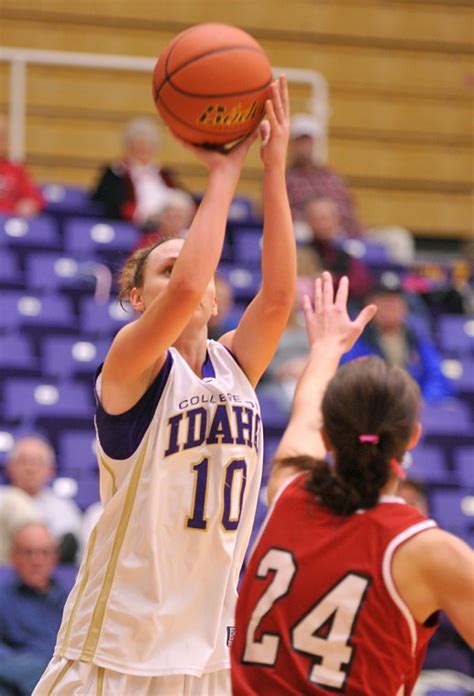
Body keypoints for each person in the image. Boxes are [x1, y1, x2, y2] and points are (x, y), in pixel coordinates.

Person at [33, 76, 296, 695]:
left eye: (198, 269)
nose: (190, 279)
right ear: (134, 297)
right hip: (117, 645)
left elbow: (281, 296)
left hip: (201, 651)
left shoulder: (234, 368)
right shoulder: (130, 363)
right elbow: (183, 293)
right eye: (169, 268)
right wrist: (224, 173)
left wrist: (274, 166)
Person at [231, 272, 474, 695]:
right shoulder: (431, 552)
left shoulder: (288, 489)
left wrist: (326, 348)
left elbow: (306, 410)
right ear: (413, 437)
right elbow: (311, 413)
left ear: (327, 438)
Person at [341, 280, 454, 403]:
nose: (390, 306)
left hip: (415, 408)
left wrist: (420, 404)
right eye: (384, 300)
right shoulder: (356, 340)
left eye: (395, 300)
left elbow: (437, 377)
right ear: (369, 305)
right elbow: (347, 380)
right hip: (372, 410)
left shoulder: (418, 340)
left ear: (404, 306)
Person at [0, 523, 69, 696]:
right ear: (13, 557)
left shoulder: (70, 600)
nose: (36, 561)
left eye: (44, 553)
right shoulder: (3, 597)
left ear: (55, 558)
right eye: (28, 552)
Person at [90, 116, 184, 228]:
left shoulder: (164, 173)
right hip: (137, 226)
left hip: (170, 223)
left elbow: (184, 197)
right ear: (128, 147)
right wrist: (143, 216)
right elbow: (110, 203)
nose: (143, 150)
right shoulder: (116, 172)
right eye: (138, 145)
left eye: (147, 146)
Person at [5, 435, 83, 564]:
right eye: (23, 461)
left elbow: (69, 548)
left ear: (51, 469)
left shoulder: (63, 507)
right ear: (9, 467)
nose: (30, 468)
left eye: (37, 462)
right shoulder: (2, 499)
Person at [286, 113, 361, 236]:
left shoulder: (332, 176)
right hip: (308, 232)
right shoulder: (286, 178)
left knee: (396, 238)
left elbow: (350, 207)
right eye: (301, 141)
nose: (305, 147)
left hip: (342, 230)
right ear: (292, 145)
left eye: (308, 141)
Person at [304, 194, 373, 301]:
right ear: (307, 222)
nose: (321, 224)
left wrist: (332, 280)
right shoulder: (301, 254)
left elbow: (362, 283)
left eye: (325, 218)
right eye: (315, 218)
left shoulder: (346, 252)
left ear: (336, 220)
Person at [0, 113, 45, 217]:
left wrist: (29, 205)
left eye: (2, 136)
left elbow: (35, 199)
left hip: (7, 227)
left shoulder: (16, 170)